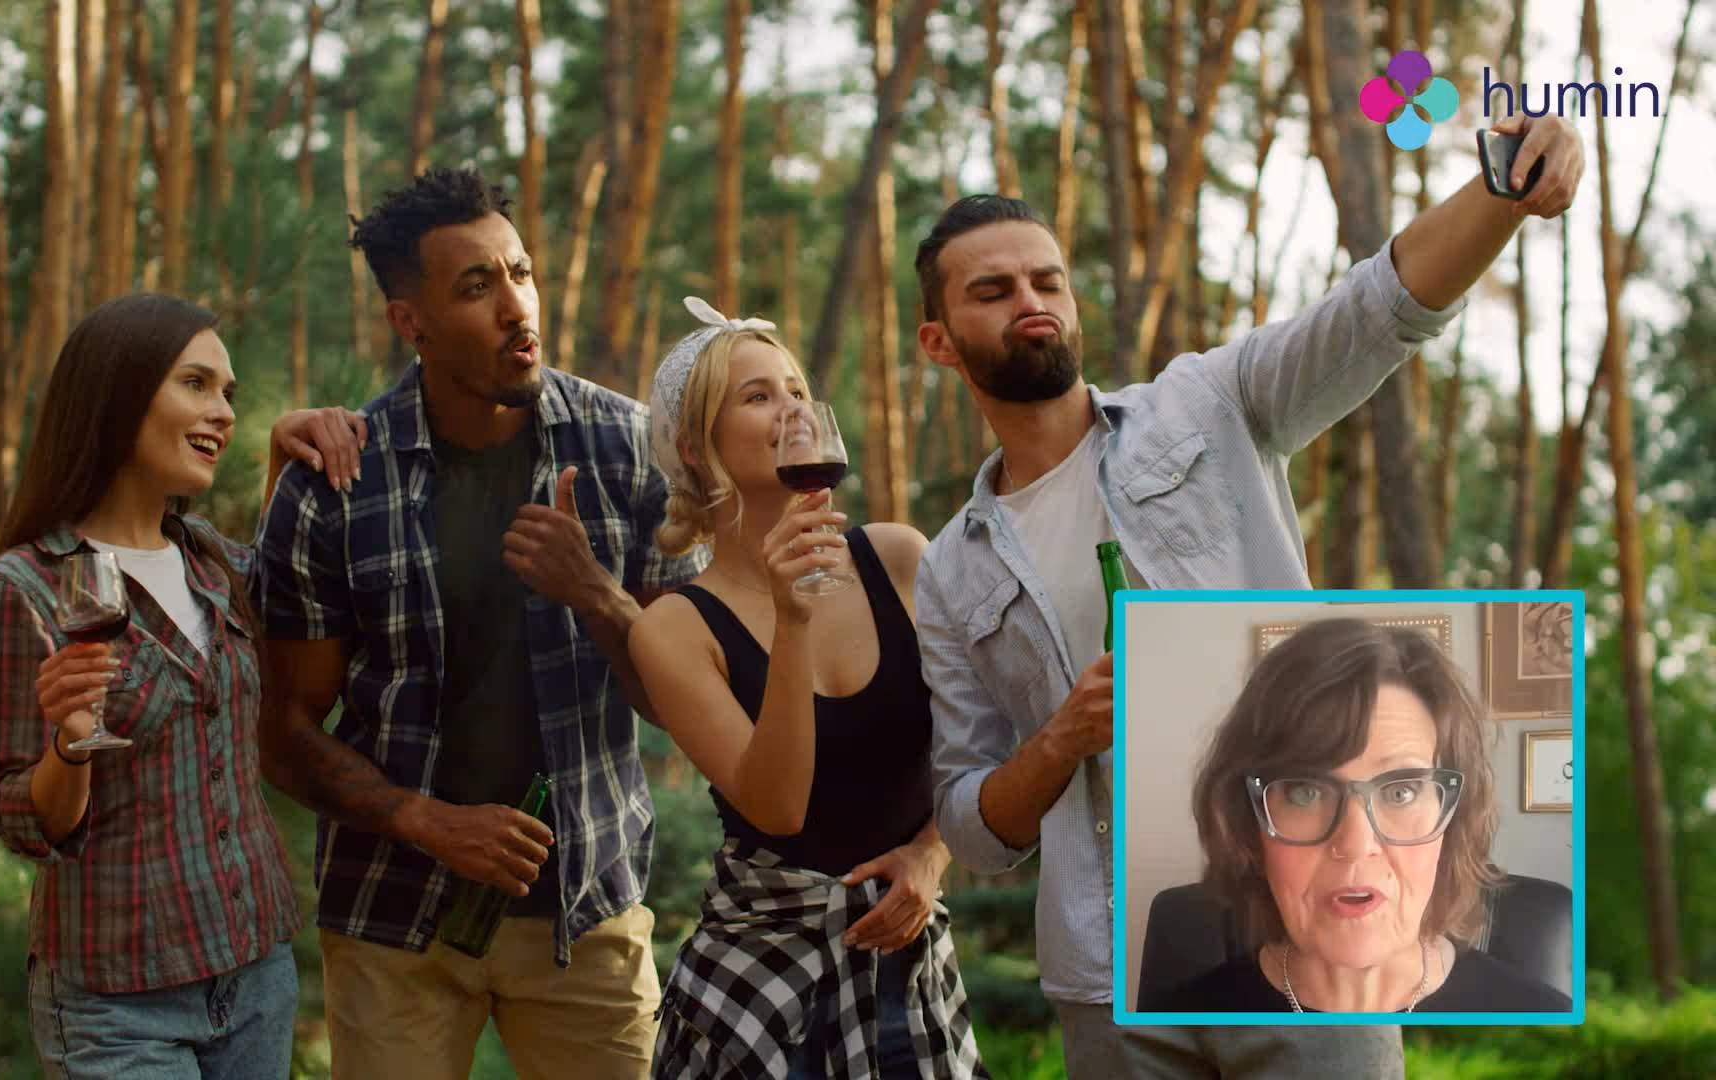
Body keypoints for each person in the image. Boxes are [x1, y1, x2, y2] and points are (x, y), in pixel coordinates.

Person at [910, 111, 1585, 1077]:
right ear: (940, 341)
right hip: (1112, 979)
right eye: (993, 289)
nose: (1031, 300)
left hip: (1309, 946)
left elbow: (1374, 310)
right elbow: (975, 830)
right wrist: (1063, 736)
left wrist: (1500, 195)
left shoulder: (1206, 402)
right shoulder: (951, 569)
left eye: (1046, 278)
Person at [254, 167, 706, 1080]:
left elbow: (683, 707)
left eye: (520, 273)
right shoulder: (338, 481)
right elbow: (285, 733)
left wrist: (599, 595)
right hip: (395, 923)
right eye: (476, 285)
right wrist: (428, 821)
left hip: (590, 915)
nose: (515, 305)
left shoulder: (629, 452)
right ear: (408, 322)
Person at [0, 292, 365, 1078]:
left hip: (256, 975)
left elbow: (290, 597)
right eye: (195, 384)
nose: (221, 411)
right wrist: (69, 745)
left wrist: (284, 463)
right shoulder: (24, 588)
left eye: (229, 394)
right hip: (116, 1004)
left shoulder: (212, 559)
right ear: (117, 392)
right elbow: (21, 821)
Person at [629, 298, 987, 1078]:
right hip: (756, 986)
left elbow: (980, 740)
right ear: (695, 447)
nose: (791, 408)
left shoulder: (899, 559)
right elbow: (778, 806)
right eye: (757, 396)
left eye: (796, 389)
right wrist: (792, 621)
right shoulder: (673, 629)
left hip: (904, 969)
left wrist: (931, 857)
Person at [1142, 618, 1571, 1013]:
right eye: (1306, 792)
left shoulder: (1545, 1020)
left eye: (1401, 791)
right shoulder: (1170, 1027)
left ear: (1451, 821)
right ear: (1249, 825)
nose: (1354, 844)